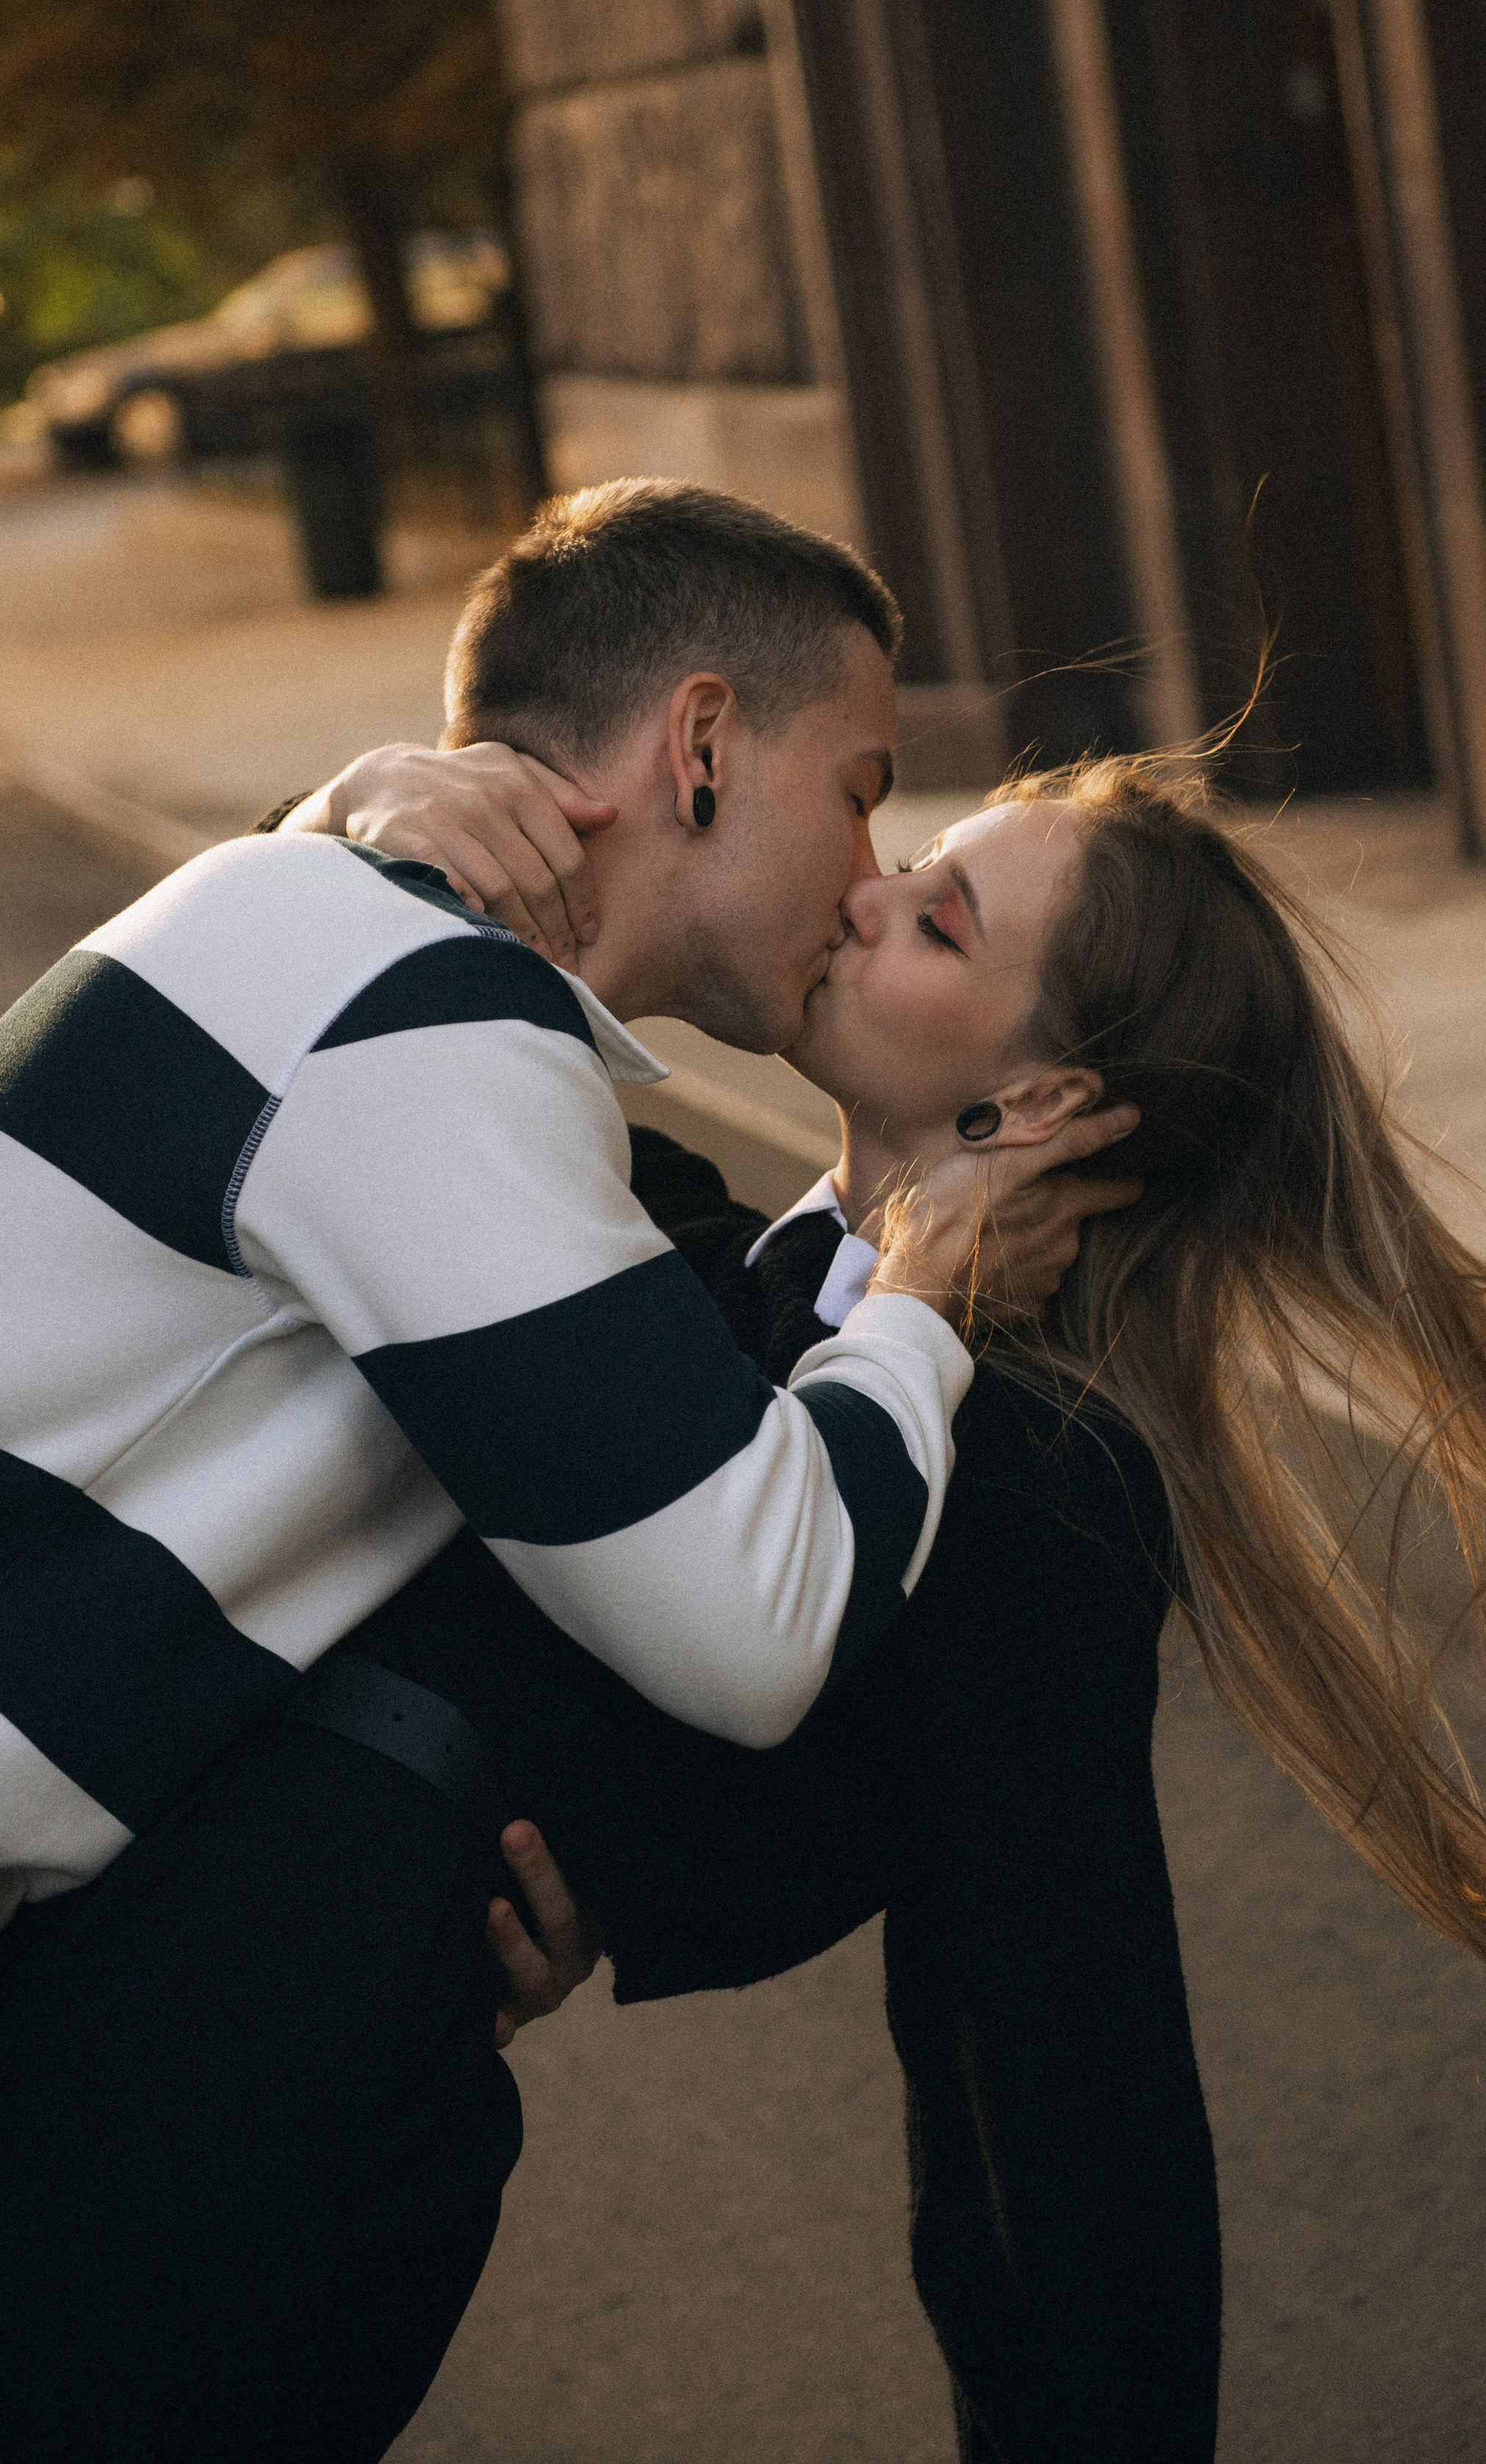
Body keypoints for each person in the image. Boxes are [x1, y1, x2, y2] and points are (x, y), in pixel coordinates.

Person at [304, 740, 1486, 2458]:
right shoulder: (683, 1229)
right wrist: (351, 817)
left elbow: (1059, 2078)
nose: (867, 890)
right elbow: (315, 1087)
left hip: (294, 2065)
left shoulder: (1030, 1489)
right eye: (910, 861)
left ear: (1042, 1103)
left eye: (940, 919)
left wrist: (560, 1840)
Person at [0, 481, 1139, 2462]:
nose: (865, 872)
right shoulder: (416, 1009)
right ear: (700, 746)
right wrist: (932, 1290)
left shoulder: (344, 939)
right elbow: (758, 1621)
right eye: (859, 790)